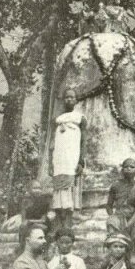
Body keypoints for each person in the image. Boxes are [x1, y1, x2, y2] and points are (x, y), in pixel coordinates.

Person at [50, 87, 86, 229]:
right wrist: (51, 162)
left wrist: (81, 160)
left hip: (73, 157)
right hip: (59, 159)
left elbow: (83, 141)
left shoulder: (80, 118)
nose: (69, 99)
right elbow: (53, 143)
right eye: (67, 97)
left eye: (72, 97)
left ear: (76, 100)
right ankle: (59, 222)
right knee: (58, 190)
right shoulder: (58, 119)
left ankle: (69, 223)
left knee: (70, 189)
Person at [106, 158, 135, 263]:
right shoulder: (115, 186)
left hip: (134, 216)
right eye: (126, 167)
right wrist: (112, 215)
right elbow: (109, 205)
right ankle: (115, 253)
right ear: (122, 170)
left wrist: (129, 222)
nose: (129, 169)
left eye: (132, 167)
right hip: (119, 215)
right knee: (111, 221)